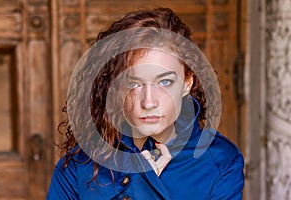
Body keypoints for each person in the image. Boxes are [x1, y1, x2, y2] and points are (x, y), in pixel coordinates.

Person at [47, 7, 244, 200]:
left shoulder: (221, 161)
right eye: (134, 83)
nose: (148, 102)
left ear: (187, 83)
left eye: (165, 82)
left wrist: (145, 189)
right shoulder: (79, 165)